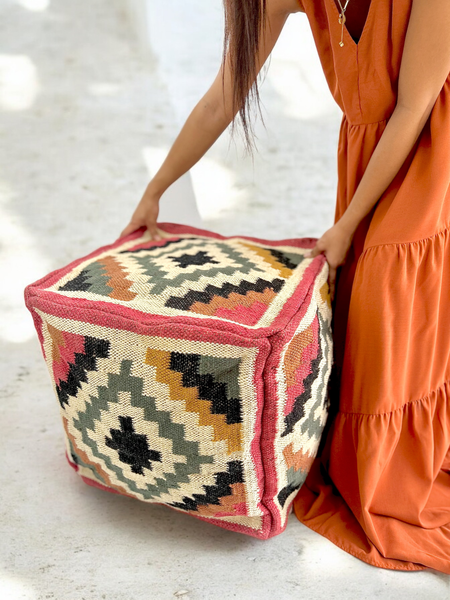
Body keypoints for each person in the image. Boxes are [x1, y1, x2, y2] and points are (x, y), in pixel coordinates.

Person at [120, 0, 450, 574]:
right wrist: (156, 188)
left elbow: (415, 108)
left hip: (432, 156)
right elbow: (225, 93)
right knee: (366, 335)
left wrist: (347, 225)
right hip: (372, 158)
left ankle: (411, 453)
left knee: (386, 311)